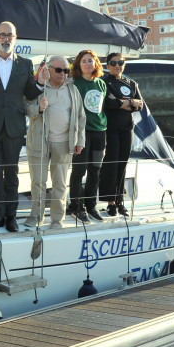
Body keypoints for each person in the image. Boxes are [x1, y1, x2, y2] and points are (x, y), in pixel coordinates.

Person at [0, 21, 47, 232]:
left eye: (9, 35)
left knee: (11, 173)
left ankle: (11, 217)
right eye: (2, 35)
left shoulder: (25, 64)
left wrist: (39, 83)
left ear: (15, 39)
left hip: (14, 126)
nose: (6, 39)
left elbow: (30, 93)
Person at [25, 55, 86, 229]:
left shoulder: (72, 89)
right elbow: (26, 109)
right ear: (48, 70)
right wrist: (38, 108)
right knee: (38, 182)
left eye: (66, 70)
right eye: (59, 70)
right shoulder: (39, 87)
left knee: (59, 183)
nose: (63, 74)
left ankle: (57, 219)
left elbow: (81, 117)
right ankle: (36, 216)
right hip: (39, 142)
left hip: (64, 143)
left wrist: (79, 140)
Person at [99, 52, 143, 217]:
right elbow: (107, 103)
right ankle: (110, 202)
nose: (117, 65)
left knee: (123, 163)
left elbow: (141, 105)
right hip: (110, 128)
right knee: (111, 163)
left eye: (121, 62)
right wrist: (130, 102)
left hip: (126, 128)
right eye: (113, 63)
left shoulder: (131, 83)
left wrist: (123, 103)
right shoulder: (105, 82)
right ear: (108, 65)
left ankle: (119, 200)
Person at [67, 49, 108, 223]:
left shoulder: (101, 84)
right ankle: (76, 206)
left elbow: (101, 108)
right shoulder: (74, 83)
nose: (87, 64)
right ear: (78, 64)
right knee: (79, 170)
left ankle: (91, 205)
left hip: (100, 131)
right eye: (84, 61)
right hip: (82, 133)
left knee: (95, 170)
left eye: (90, 61)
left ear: (95, 63)